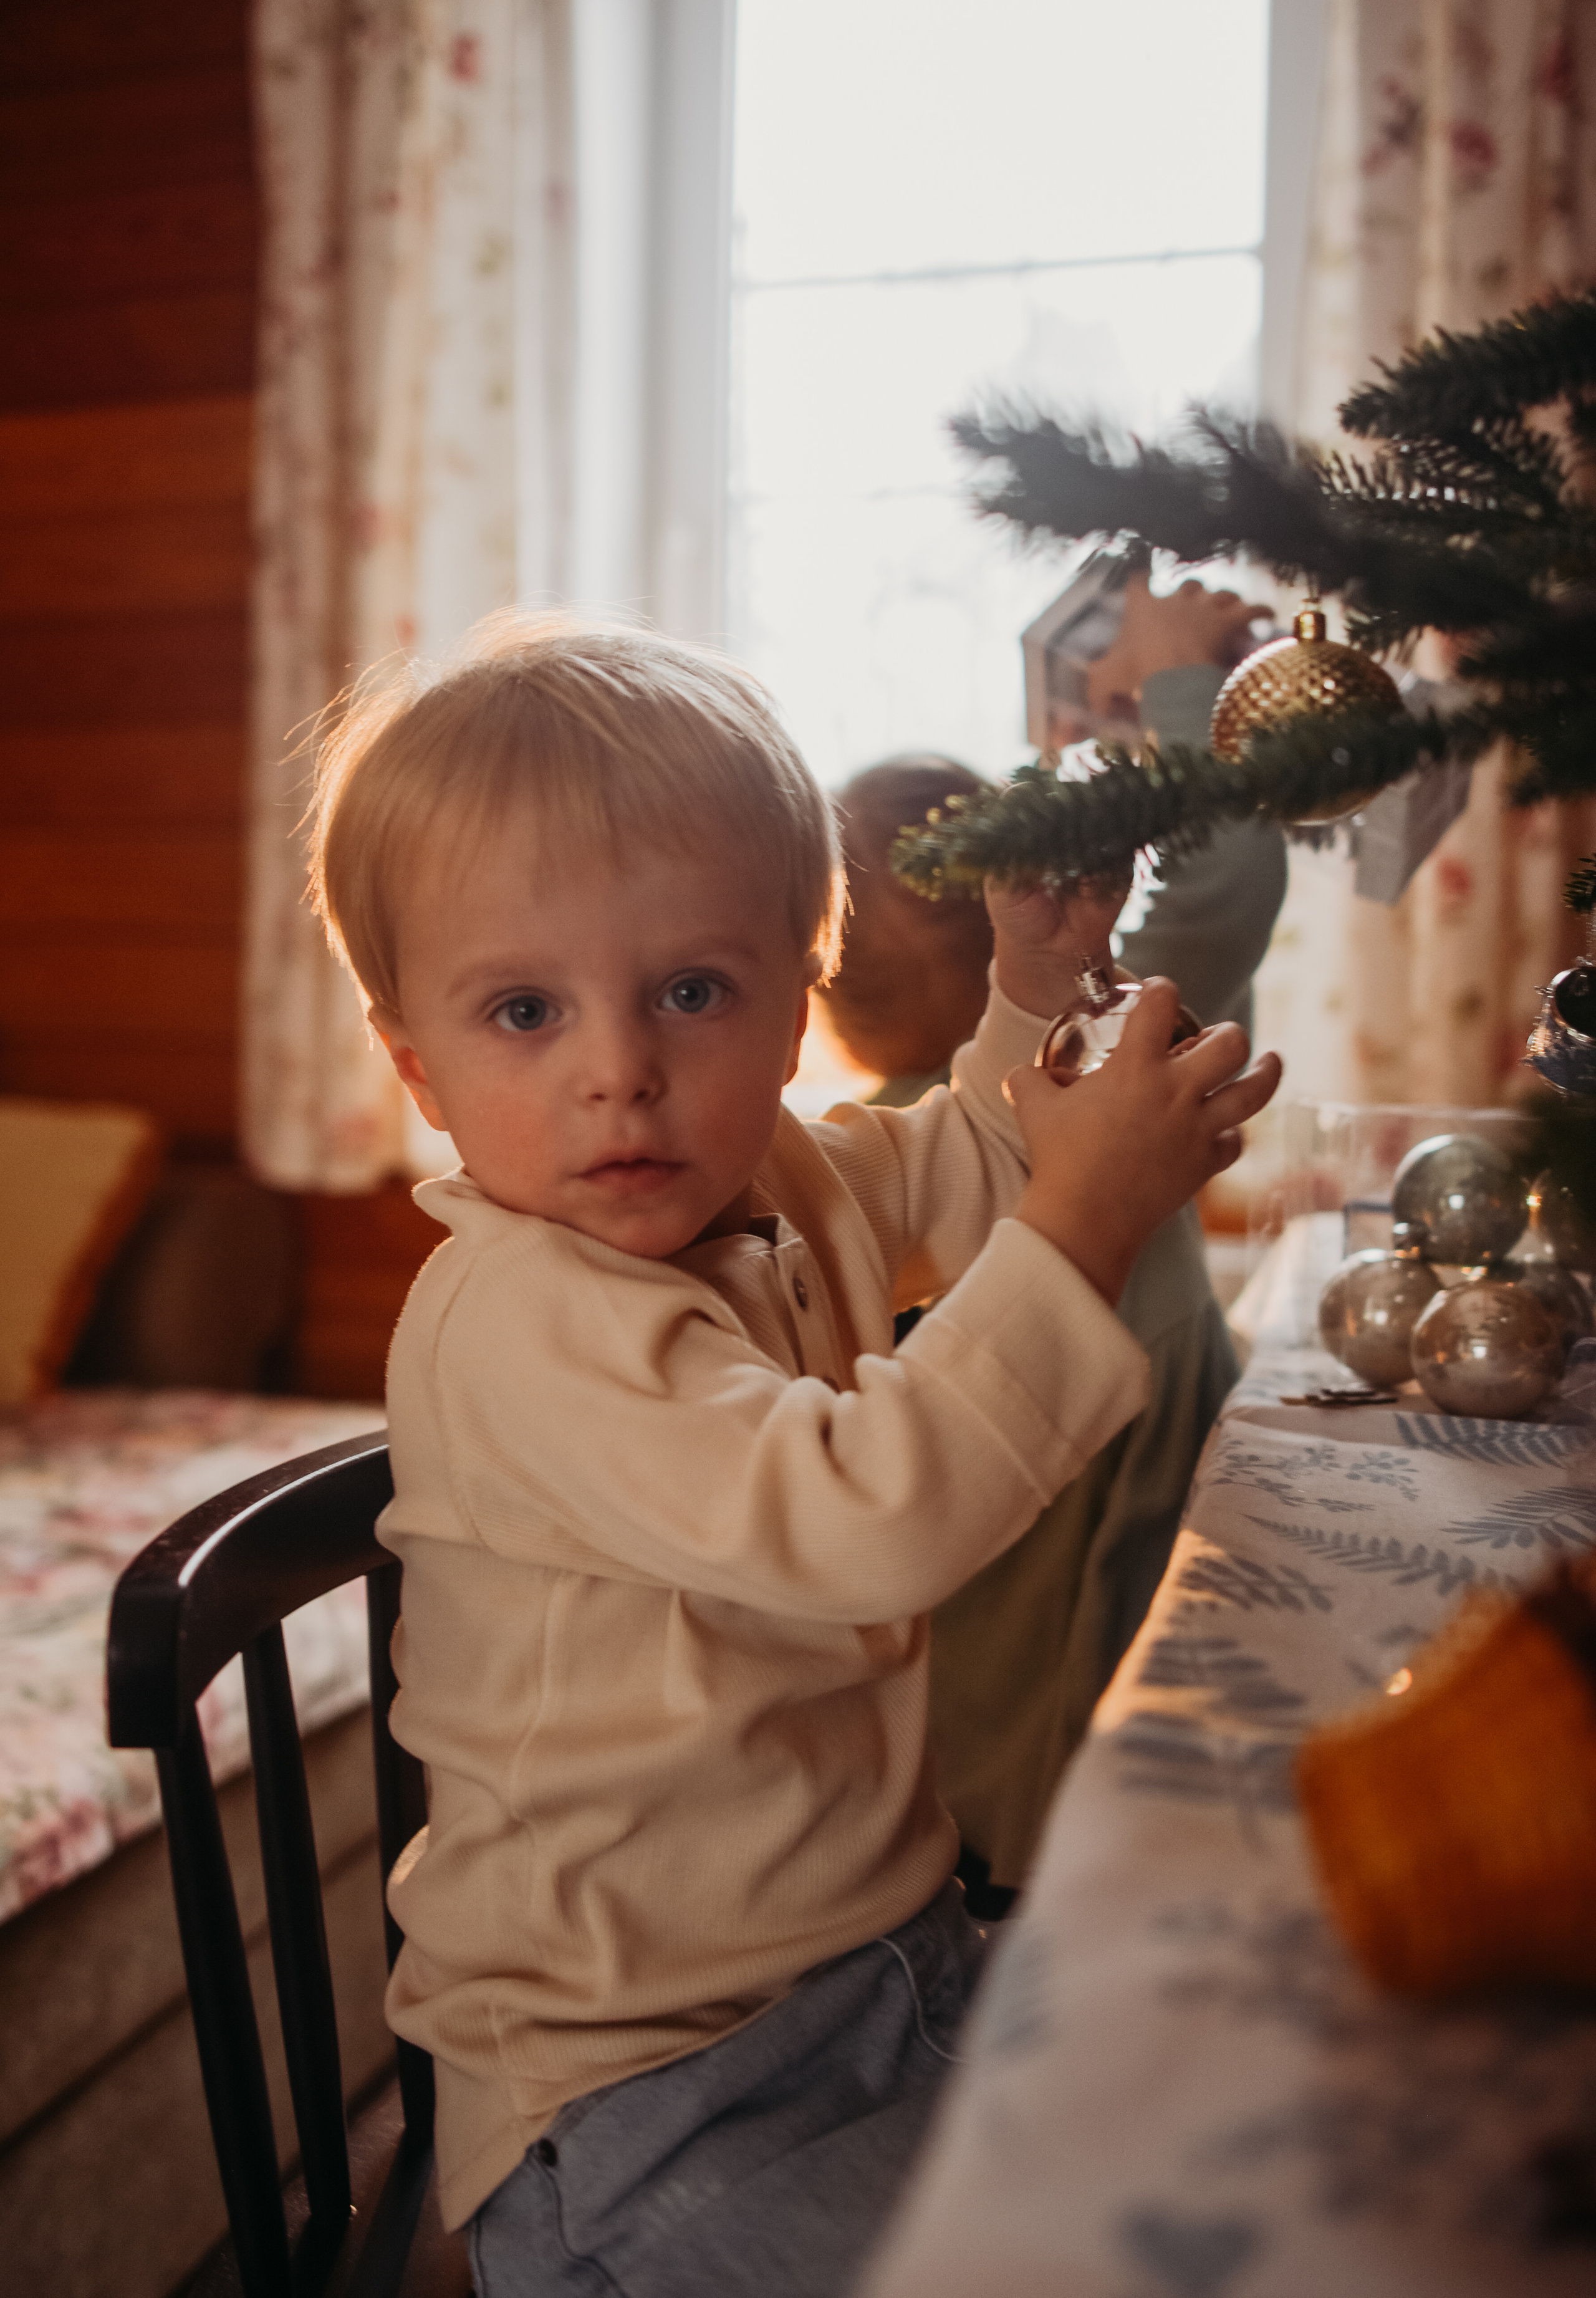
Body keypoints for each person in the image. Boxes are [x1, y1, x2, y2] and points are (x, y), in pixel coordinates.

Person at [307, 610, 1280, 2297]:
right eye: (525, 1010)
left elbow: (973, 1154)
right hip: (643, 2090)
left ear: (794, 994)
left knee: (1233, 2129)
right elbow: (866, 1517)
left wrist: (1035, 994)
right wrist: (1090, 1217)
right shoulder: (520, 1315)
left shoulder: (785, 1177)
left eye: (691, 989)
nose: (623, 1070)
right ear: (415, 1060)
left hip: (883, 1967)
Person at [822, 581, 1289, 1909]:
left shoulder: (884, 1149)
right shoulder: (1075, 1066)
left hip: (996, 1728)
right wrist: (1170, 684)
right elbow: (1229, 865)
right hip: (1080, 1736)